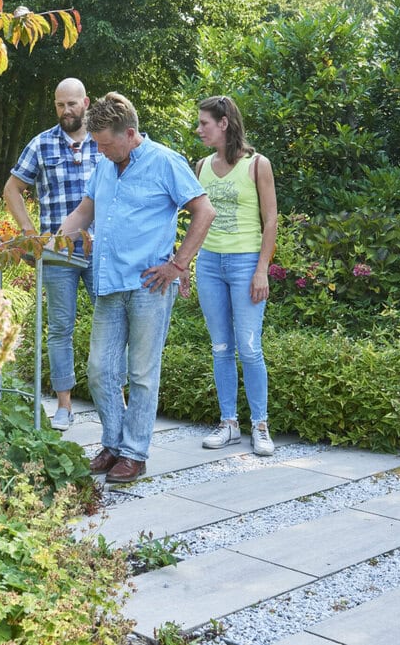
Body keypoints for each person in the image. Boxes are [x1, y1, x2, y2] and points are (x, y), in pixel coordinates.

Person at [58, 92, 215, 482]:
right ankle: (113, 444)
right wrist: (49, 243)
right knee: (100, 371)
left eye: (105, 144)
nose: (100, 151)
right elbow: (84, 212)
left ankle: (134, 453)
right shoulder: (105, 166)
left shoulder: (166, 162)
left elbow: (204, 211)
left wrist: (178, 264)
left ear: (129, 134)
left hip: (149, 287)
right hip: (109, 283)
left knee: (142, 373)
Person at [3, 78, 100, 431]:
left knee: (111, 323)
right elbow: (12, 188)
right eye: (60, 105)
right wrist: (30, 234)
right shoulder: (42, 144)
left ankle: (114, 399)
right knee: (60, 328)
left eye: (72, 103)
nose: (66, 110)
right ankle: (64, 406)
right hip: (58, 253)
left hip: (101, 249)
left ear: (85, 103)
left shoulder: (103, 141)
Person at [192, 95, 278, 456]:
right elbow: (195, 220)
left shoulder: (257, 164)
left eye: (204, 124)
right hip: (210, 264)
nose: (199, 130)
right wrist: (185, 265)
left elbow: (270, 221)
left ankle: (260, 425)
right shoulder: (201, 166)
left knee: (249, 347)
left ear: (224, 123)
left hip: (245, 264)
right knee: (221, 347)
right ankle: (229, 424)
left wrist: (261, 270)